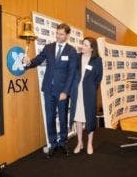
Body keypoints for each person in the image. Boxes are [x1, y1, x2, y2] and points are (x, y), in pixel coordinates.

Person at [23, 23, 77, 158]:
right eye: (57, 33)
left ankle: (62, 142)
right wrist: (29, 62)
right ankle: (53, 143)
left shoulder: (71, 51)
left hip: (62, 92)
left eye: (62, 34)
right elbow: (38, 60)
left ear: (67, 35)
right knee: (50, 118)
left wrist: (66, 91)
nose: (58, 36)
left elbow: (72, 73)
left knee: (63, 118)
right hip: (48, 90)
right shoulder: (48, 48)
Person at [70, 37, 103, 155]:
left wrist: (92, 89)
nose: (82, 46)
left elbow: (98, 77)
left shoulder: (97, 60)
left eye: (85, 45)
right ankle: (80, 142)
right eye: (82, 44)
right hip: (76, 93)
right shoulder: (77, 57)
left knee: (89, 118)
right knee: (78, 118)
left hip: (89, 93)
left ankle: (89, 143)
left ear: (91, 48)